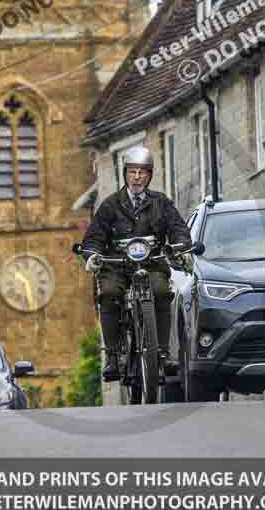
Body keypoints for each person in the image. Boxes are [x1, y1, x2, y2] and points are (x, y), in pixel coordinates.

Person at [81, 145, 192, 381]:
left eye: (142, 172)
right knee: (109, 292)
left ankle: (162, 354)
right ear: (125, 173)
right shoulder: (110, 205)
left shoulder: (161, 203)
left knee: (162, 291)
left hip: (151, 264)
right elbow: (93, 238)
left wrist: (181, 247)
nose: (137, 177)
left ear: (149, 175)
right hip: (117, 265)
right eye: (132, 171)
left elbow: (179, 229)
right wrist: (91, 255)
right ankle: (112, 357)